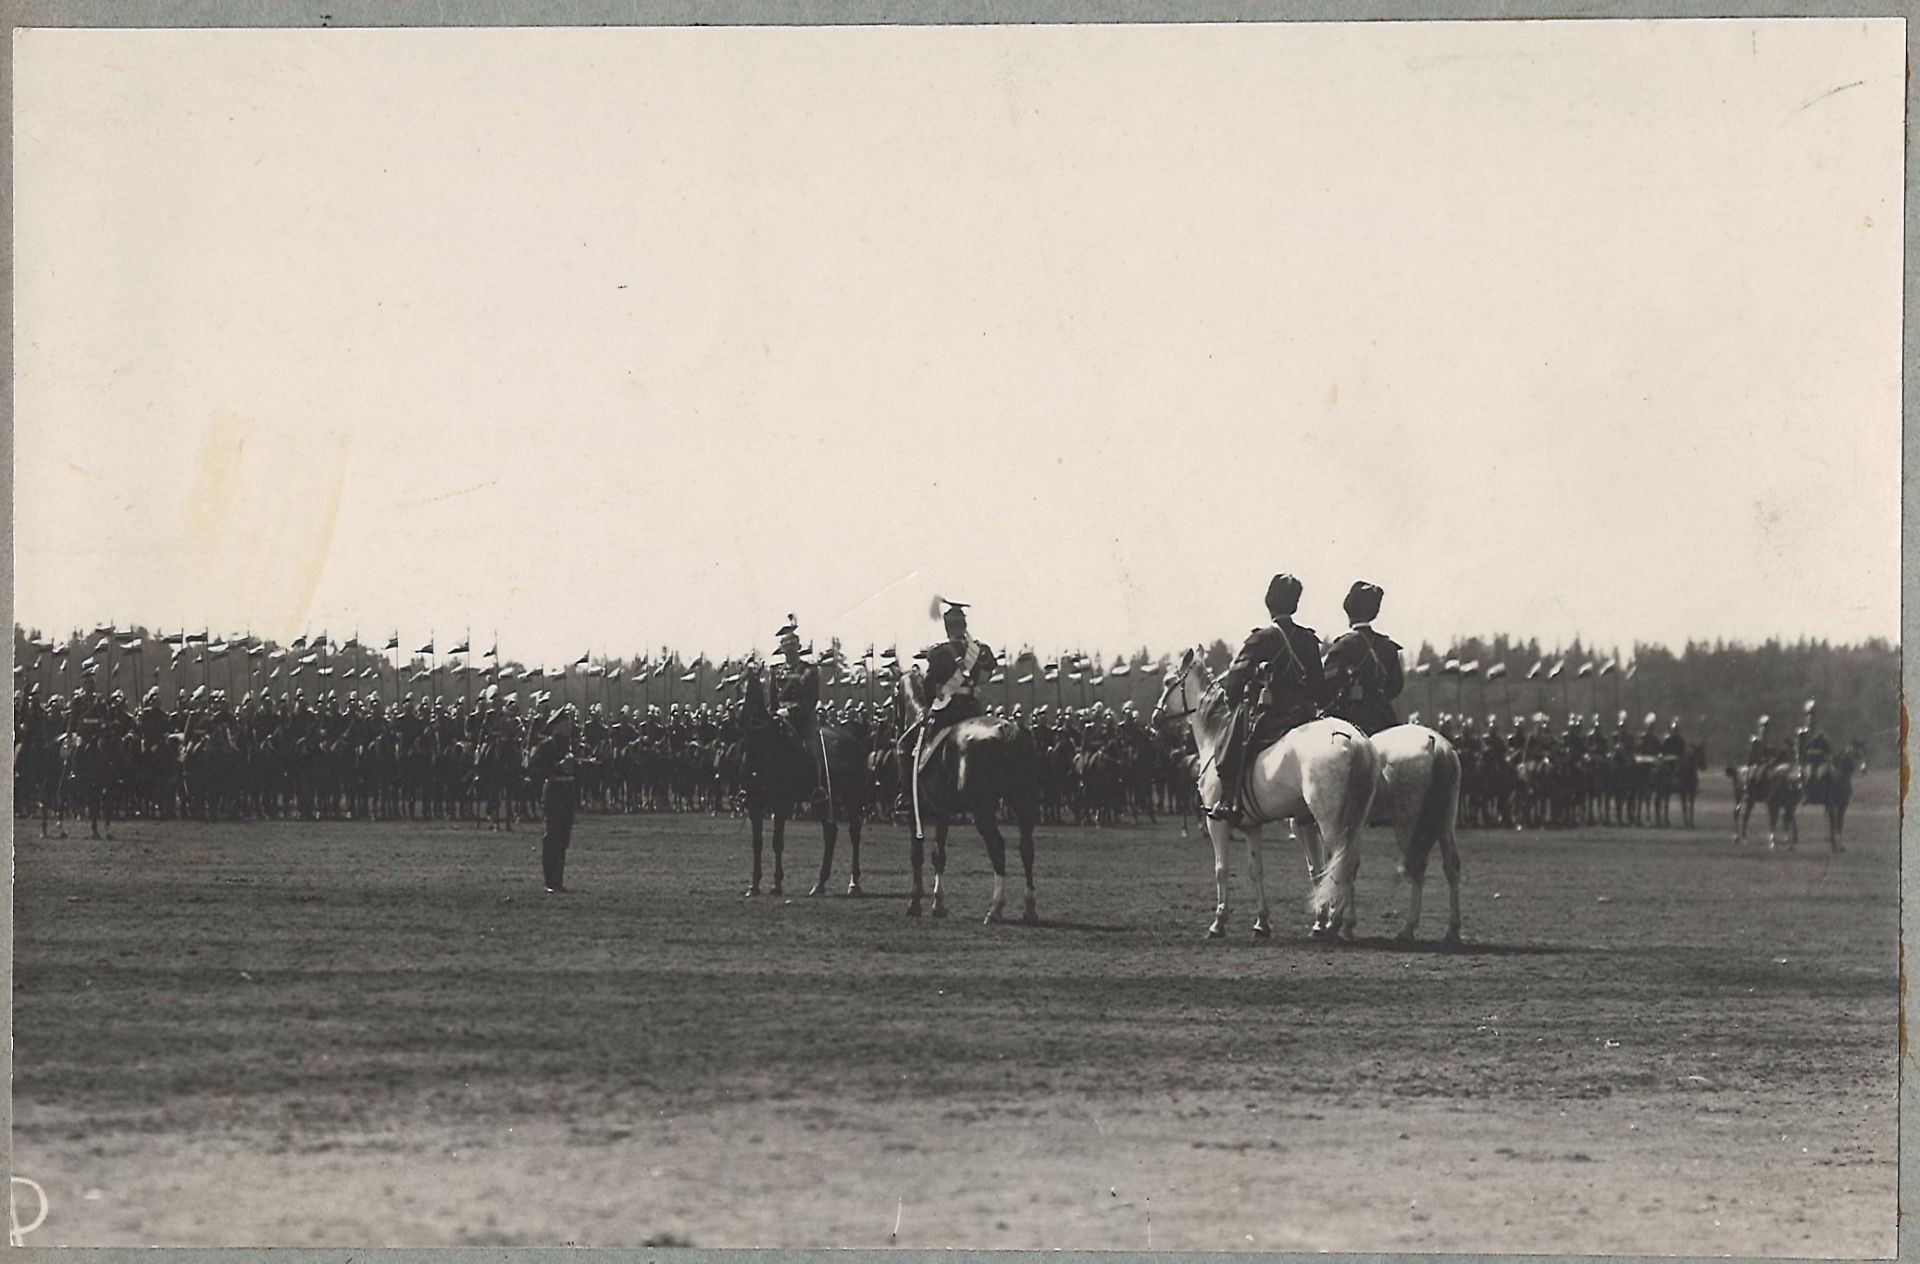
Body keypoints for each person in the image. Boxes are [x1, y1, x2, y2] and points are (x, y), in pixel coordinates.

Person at [1210, 572, 1325, 822]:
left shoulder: (1260, 638)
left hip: (1271, 712)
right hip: (1304, 713)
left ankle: (1229, 799)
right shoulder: (1309, 639)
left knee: (1227, 745)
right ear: (1294, 604)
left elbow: (1235, 679)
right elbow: (1320, 685)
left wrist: (1234, 703)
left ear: (1269, 603)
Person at [898, 600, 999, 824]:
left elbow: (927, 686)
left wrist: (932, 701)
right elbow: (991, 667)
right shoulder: (978, 649)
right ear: (964, 626)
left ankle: (906, 796)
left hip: (948, 714)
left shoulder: (939, 653)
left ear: (947, 627)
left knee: (905, 746)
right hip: (974, 713)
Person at [1320, 580, 1404, 735]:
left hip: (1349, 717)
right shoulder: (1388, 647)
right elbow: (1396, 686)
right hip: (1384, 717)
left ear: (1350, 614)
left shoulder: (1342, 646)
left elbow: (1327, 687)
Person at [527, 708, 581, 892]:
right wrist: (557, 766)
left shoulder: (570, 745)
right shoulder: (547, 746)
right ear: (557, 726)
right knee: (552, 837)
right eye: (565, 724)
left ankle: (558, 879)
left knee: (563, 839)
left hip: (568, 793)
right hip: (554, 792)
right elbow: (534, 769)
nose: (568, 727)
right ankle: (550, 881)